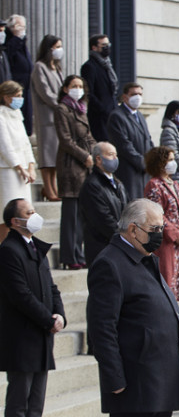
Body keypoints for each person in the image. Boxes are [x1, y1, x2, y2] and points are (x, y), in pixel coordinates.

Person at [86, 199, 179, 417]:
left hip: (159, 377)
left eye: (161, 228)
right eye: (154, 228)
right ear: (133, 229)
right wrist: (114, 378)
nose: (159, 234)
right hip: (135, 382)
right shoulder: (110, 263)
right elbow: (102, 327)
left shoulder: (144, 257)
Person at [0, 198, 65, 417]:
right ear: (16, 221)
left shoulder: (37, 248)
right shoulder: (8, 251)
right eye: (29, 213)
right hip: (22, 337)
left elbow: (51, 288)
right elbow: (20, 295)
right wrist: (47, 320)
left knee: (36, 402)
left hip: (41, 335)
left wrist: (59, 314)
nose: (35, 215)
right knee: (19, 402)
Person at [54, 74, 96, 270]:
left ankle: (78, 254)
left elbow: (88, 137)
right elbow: (65, 140)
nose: (78, 89)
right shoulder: (62, 109)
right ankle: (69, 256)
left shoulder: (81, 110)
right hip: (71, 166)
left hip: (85, 166)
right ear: (65, 88)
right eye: (74, 85)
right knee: (71, 216)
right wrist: (84, 156)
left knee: (81, 216)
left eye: (81, 85)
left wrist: (98, 152)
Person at [144, 146, 179, 300]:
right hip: (165, 241)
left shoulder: (174, 183)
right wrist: (174, 234)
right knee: (166, 279)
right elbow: (157, 213)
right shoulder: (154, 185)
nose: (173, 163)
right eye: (169, 160)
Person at [79, 142, 128, 266]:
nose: (115, 159)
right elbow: (102, 218)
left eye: (116, 155)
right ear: (99, 159)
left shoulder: (118, 183)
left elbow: (128, 209)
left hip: (120, 245)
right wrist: (124, 237)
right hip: (102, 248)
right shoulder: (92, 185)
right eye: (111, 155)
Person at [0, 80, 36, 243]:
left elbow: (26, 143)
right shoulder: (1, 115)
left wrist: (31, 166)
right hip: (8, 170)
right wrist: (19, 167)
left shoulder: (17, 114)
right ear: (6, 97)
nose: (20, 99)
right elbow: (5, 145)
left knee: (24, 212)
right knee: (7, 214)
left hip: (24, 172)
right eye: (17, 96)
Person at [31, 34, 65, 202]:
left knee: (56, 156)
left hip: (58, 117)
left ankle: (52, 187)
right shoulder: (40, 67)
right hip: (46, 117)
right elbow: (44, 92)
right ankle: (48, 188)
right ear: (48, 48)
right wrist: (60, 104)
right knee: (47, 155)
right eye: (56, 46)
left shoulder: (57, 68)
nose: (59, 50)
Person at [107, 82, 153, 201]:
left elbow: (148, 139)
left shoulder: (140, 116)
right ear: (124, 97)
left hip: (144, 173)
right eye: (134, 94)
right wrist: (143, 163)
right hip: (128, 171)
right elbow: (124, 145)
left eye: (140, 94)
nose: (137, 97)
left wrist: (153, 160)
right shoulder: (117, 116)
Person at [80, 34, 117, 142]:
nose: (107, 47)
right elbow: (88, 92)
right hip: (99, 117)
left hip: (111, 113)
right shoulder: (89, 66)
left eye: (108, 44)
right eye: (103, 45)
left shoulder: (107, 65)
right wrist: (102, 108)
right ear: (94, 48)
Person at [5, 15, 33, 135]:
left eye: (23, 26)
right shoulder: (9, 41)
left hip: (26, 85)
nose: (22, 29)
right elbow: (9, 55)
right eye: (19, 26)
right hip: (15, 84)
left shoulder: (22, 42)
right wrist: (16, 38)